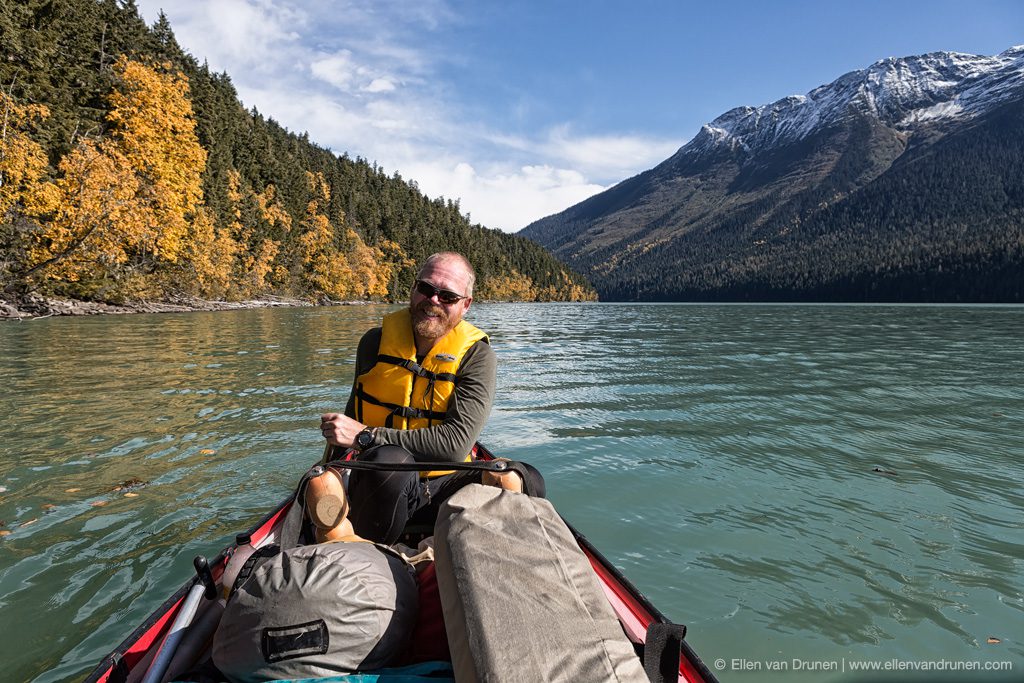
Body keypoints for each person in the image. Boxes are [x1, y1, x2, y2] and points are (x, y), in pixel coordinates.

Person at [319, 252, 537, 544]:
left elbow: (453, 445)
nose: (433, 300)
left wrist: (366, 436)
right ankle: (367, 548)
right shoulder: (373, 343)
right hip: (378, 486)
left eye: (447, 296)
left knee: (523, 477)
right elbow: (352, 418)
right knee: (390, 461)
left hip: (446, 486)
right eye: (426, 289)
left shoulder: (477, 356)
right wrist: (328, 471)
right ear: (413, 288)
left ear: (465, 305)